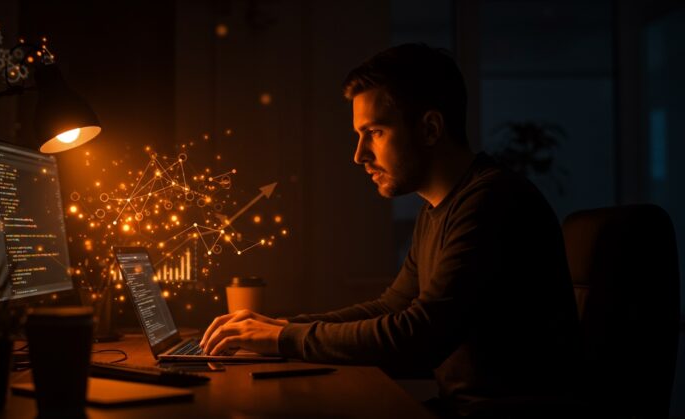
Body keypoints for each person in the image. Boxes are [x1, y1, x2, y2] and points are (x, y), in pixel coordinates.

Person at [199, 44, 581, 416]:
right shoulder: (438, 208)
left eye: (375, 132)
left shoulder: (493, 201)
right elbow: (393, 306)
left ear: (430, 128)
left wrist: (284, 339)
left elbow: (418, 336)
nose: (359, 154)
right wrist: (282, 327)